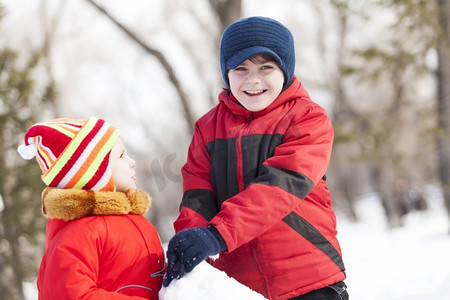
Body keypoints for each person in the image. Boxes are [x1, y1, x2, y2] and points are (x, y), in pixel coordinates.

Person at [163, 16, 348, 300]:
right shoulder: (207, 128)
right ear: (227, 73)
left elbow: (280, 187)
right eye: (240, 68)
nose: (253, 80)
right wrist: (192, 242)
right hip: (239, 287)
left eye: (266, 67)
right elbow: (197, 195)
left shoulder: (307, 118)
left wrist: (216, 235)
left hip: (308, 279)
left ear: (285, 70)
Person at [17, 116, 165, 299]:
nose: (132, 161)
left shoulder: (132, 219)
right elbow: (70, 294)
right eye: (121, 155)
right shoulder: (80, 233)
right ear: (95, 174)